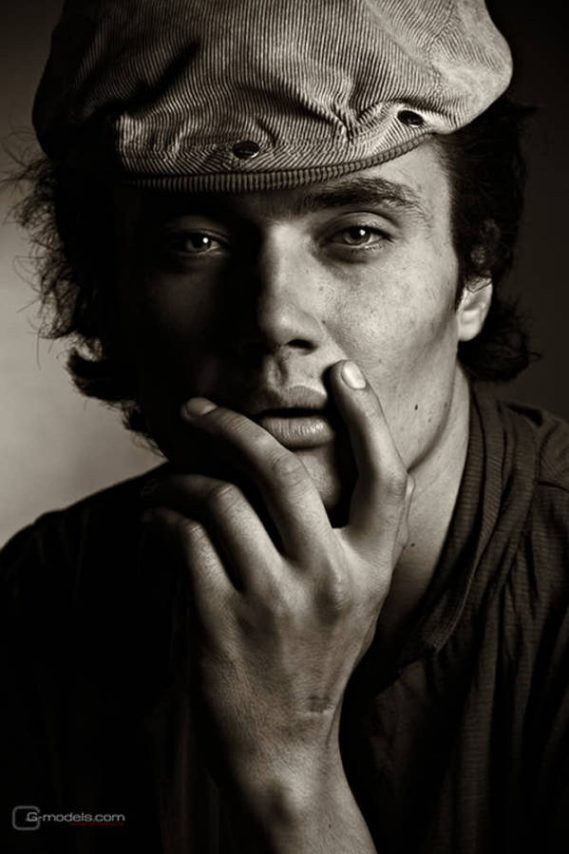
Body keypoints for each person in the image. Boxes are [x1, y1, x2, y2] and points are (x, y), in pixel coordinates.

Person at [1, 0, 568, 852]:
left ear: (473, 279)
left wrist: (287, 769)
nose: (272, 319)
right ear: (111, 296)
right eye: (194, 242)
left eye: (356, 233)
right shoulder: (45, 600)